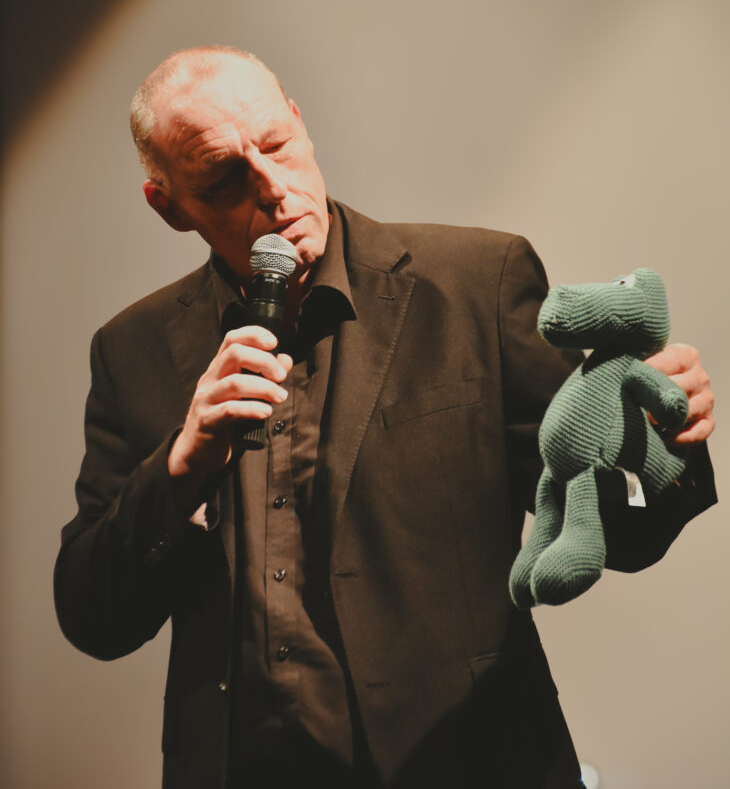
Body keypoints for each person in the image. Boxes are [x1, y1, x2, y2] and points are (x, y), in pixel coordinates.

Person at [54, 46, 716, 789]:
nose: (273, 188)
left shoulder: (477, 283)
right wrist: (181, 467)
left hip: (467, 767)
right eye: (225, 178)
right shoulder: (132, 350)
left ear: (299, 122)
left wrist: (661, 444)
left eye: (276, 144)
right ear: (169, 206)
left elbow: (611, 528)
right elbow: (92, 615)